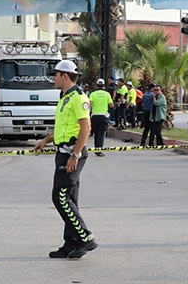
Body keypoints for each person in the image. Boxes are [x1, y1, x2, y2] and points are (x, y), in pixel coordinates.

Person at [34, 60, 97, 259]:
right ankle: (71, 243)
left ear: (65, 76)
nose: (53, 78)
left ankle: (85, 238)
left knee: (60, 198)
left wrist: (75, 155)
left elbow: (85, 128)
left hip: (71, 153)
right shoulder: (65, 98)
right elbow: (64, 128)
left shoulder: (78, 98)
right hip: (63, 152)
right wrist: (46, 139)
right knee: (70, 199)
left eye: (56, 75)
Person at [89, 78, 113, 157]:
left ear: (97, 85)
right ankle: (99, 150)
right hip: (103, 116)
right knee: (101, 133)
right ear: (103, 85)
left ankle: (96, 148)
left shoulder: (93, 94)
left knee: (96, 133)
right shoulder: (107, 94)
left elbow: (90, 104)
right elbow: (111, 105)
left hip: (94, 116)